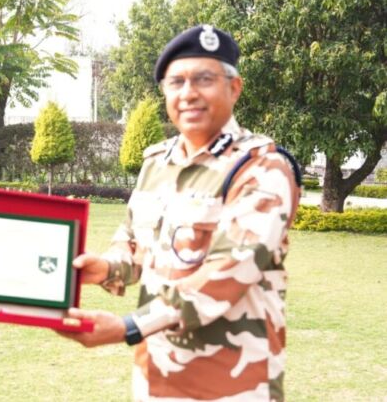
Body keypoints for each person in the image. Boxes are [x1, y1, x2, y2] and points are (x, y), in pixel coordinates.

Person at [59, 25, 301, 401]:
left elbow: (230, 270)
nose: (188, 93)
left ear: (234, 88)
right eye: (176, 82)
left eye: (204, 79)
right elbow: (135, 243)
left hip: (232, 385)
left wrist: (129, 326)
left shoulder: (262, 168)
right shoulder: (157, 162)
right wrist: (106, 268)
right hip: (156, 379)